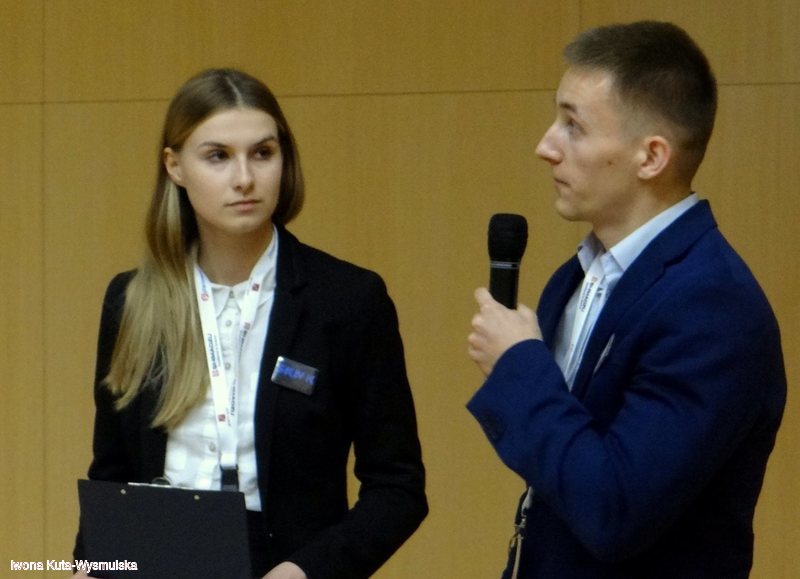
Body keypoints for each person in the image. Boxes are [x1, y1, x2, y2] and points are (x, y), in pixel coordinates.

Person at [73, 68, 427, 579]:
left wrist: (306, 571)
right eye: (218, 156)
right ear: (174, 166)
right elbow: (112, 475)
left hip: (286, 565)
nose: (244, 178)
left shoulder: (347, 300)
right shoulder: (131, 300)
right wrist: (93, 564)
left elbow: (398, 489)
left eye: (262, 153)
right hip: (152, 560)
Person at [467, 21, 785, 579]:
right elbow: (561, 474)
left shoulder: (713, 307)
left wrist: (518, 366)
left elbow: (614, 510)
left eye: (573, 126)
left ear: (651, 156)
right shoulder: (575, 277)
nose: (545, 147)